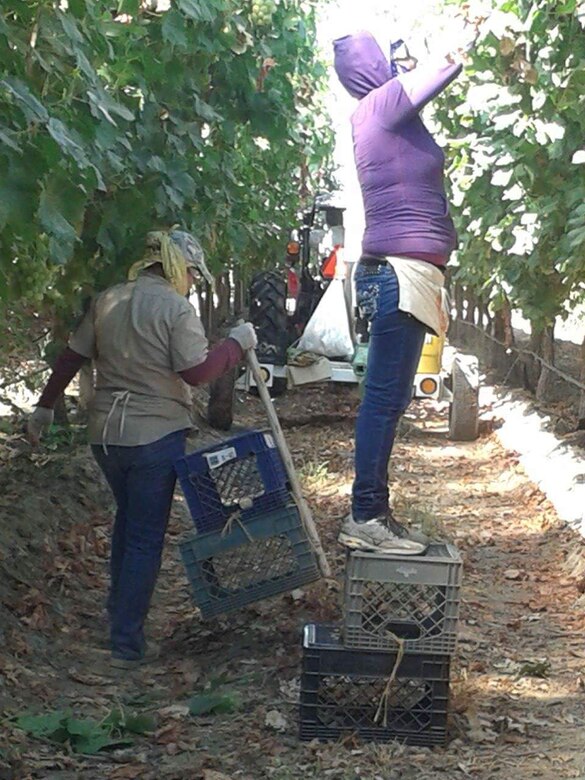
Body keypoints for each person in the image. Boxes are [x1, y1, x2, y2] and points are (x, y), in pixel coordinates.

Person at [28, 229, 257, 668]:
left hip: (106, 438)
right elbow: (196, 373)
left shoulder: (109, 299)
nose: (191, 281)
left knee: (128, 525)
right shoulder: (175, 308)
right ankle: (126, 643)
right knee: (145, 539)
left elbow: (71, 357)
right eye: (191, 272)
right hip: (155, 434)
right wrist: (235, 345)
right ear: (176, 268)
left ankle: (119, 616)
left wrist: (43, 407)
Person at [333, 25, 477, 555]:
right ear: (372, 67)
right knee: (384, 401)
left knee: (389, 401)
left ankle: (376, 514)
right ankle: (365, 515)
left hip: (404, 272)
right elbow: (446, 65)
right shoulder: (380, 105)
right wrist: (475, 29)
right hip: (400, 273)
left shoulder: (384, 113)